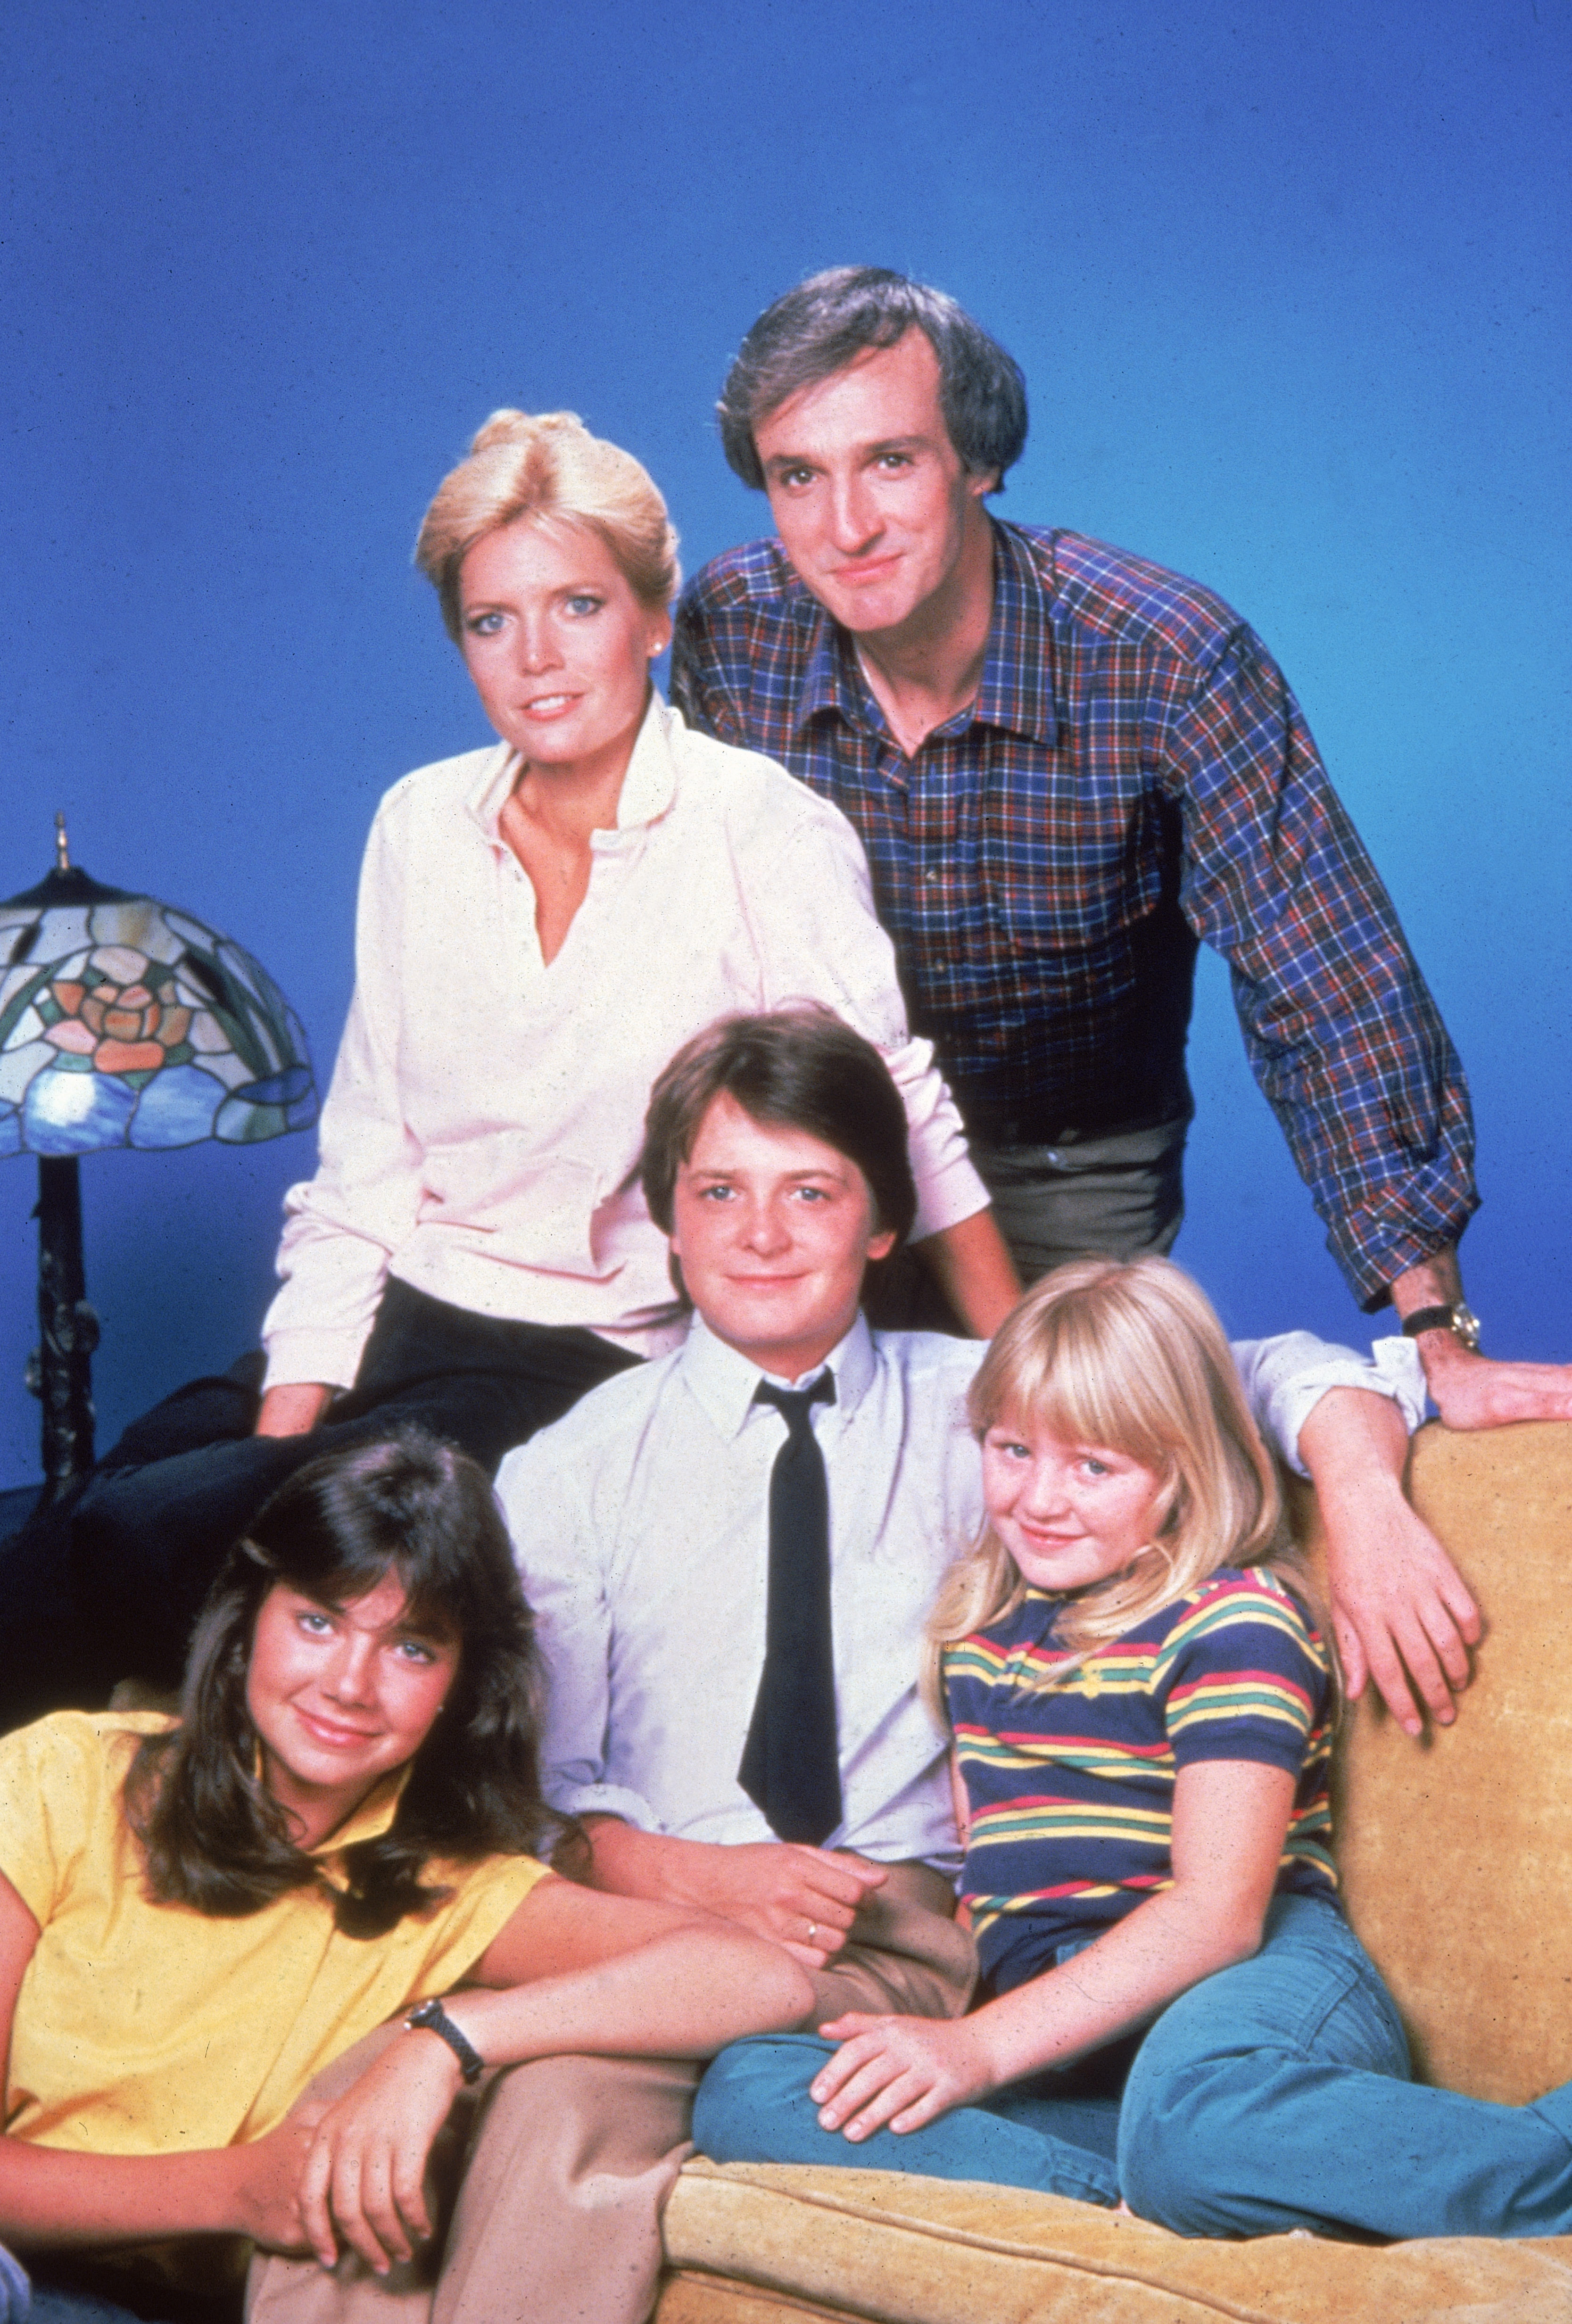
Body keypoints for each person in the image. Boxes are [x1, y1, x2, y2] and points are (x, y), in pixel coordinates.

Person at [0, 405, 1018, 1726]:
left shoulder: (758, 830)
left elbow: (897, 1111)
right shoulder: (419, 825)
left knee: (145, 1539)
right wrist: (284, 1436)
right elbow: (367, 1163)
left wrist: (1031, 1383)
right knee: (76, 1517)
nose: (536, 660)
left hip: (588, 1353)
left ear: (655, 621)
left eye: (578, 607)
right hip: (401, 1315)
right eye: (492, 622)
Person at [496, 1010, 1436, 2321]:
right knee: (640, 2093)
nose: (760, 1235)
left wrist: (1364, 1492)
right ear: (667, 1218)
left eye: (809, 1192)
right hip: (673, 1915)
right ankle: (1176, 2182)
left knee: (562, 2108)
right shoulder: (565, 1473)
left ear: (884, 1222)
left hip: (918, 1935)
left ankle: (1194, 2167)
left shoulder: (997, 1411)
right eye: (719, 1191)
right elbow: (542, 1796)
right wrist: (705, 1878)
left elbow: (1239, 1373)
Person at [670, 266, 1572, 1453]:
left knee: (1075, 1473)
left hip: (1063, 1158)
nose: (846, 527)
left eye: (890, 460)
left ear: (977, 460)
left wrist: (1437, 1332)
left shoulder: (1166, 660)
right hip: (820, 1155)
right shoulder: (732, 630)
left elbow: (1329, 989)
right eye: (799, 475)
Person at [690, 1258, 1572, 2241]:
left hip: (1245, 1987)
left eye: (1093, 1466)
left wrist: (976, 2049)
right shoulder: (978, 1635)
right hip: (1075, 2039)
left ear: (1183, 1472)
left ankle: (1543, 2158)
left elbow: (1216, 1912)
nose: (1038, 1498)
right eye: (1011, 1448)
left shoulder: (1232, 1617)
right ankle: (1120, 2198)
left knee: (1195, 2114)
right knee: (747, 2087)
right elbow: (993, 1888)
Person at [0, 1431, 810, 2324]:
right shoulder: (62, 1777)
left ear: (464, 1686)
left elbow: (757, 1975)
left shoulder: (454, 1889)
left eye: (413, 1648)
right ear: (248, 1621)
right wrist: (236, 2189)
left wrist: (448, 2039)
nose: (350, 1683)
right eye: (318, 1620)